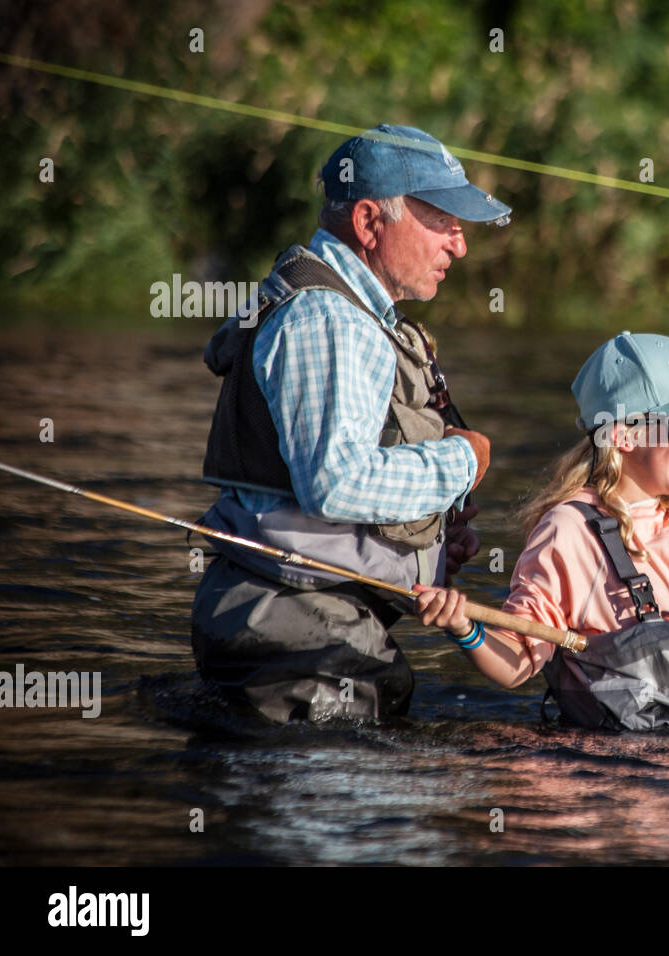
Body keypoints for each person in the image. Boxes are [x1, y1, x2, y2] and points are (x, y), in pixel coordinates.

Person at [190, 124, 509, 724]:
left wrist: (430, 542)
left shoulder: (343, 310)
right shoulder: (329, 320)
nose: (459, 246)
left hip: (301, 624)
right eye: (442, 219)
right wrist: (461, 462)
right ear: (368, 223)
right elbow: (335, 483)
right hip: (295, 633)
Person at [415, 331, 669, 729]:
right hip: (600, 763)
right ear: (625, 435)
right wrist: (463, 628)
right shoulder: (568, 529)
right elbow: (518, 661)